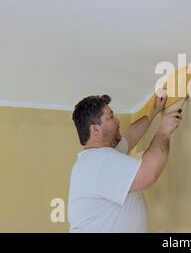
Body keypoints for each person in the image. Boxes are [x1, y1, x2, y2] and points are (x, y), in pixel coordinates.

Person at [67, 92, 181, 232]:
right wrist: (164, 131)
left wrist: (154, 111)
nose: (117, 121)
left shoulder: (94, 159)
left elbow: (130, 136)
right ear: (95, 129)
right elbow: (149, 173)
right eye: (111, 117)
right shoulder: (99, 162)